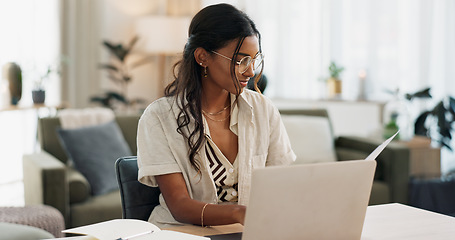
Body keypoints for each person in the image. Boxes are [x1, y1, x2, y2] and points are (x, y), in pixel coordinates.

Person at [137, 3, 296, 228]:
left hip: (247, 231)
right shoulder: (158, 118)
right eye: (241, 60)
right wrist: (239, 214)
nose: (250, 72)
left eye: (254, 59)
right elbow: (180, 205)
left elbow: (280, 186)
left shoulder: (263, 109)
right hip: (183, 233)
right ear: (202, 57)